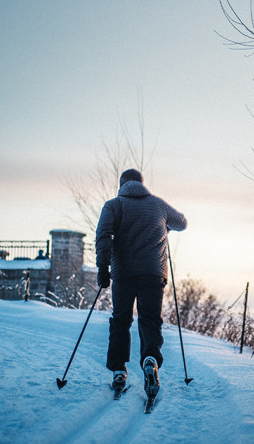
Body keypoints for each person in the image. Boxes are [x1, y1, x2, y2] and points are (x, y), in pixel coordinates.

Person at [95, 168, 187, 399]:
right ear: (142, 184)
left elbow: (103, 236)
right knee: (149, 320)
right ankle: (150, 360)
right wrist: (166, 225)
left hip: (124, 274)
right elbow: (183, 223)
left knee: (120, 320)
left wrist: (102, 269)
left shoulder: (113, 205)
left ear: (121, 185)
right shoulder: (159, 205)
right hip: (153, 274)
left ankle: (118, 369)